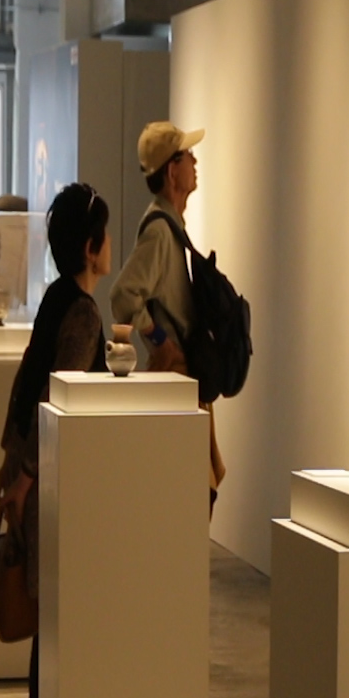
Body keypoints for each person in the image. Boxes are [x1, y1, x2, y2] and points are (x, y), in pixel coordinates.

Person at [0, 182, 111, 698]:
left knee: (53, 610)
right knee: (59, 611)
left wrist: (10, 460)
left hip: (34, 475)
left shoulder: (55, 298)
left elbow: (25, 383)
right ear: (91, 247)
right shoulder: (83, 314)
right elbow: (52, 400)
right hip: (50, 483)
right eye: (105, 236)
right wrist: (25, 478)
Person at [110, 121, 226, 510]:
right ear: (172, 172)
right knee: (189, 499)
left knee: (195, 496)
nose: (195, 161)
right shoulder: (160, 231)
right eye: (187, 155)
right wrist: (159, 340)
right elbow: (123, 294)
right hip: (174, 380)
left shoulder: (169, 225)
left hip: (182, 381)